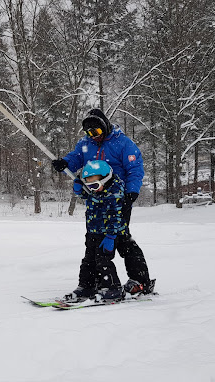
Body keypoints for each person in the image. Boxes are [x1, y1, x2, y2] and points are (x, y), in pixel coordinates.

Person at [53, 108, 154, 296]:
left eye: (97, 132)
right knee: (93, 241)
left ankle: (139, 280)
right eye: (89, 133)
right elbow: (76, 157)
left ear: (105, 126)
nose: (93, 136)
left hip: (118, 199)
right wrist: (65, 162)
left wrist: (131, 192)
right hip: (95, 199)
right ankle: (93, 282)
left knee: (121, 239)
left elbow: (135, 169)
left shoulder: (123, 144)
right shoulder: (86, 144)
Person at [63, 160, 126, 302]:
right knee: (88, 261)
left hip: (107, 234)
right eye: (88, 185)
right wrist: (80, 191)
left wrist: (111, 236)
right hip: (92, 232)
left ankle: (113, 288)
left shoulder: (114, 192)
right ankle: (87, 286)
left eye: (94, 185)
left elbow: (115, 217)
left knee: (103, 261)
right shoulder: (98, 190)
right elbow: (92, 196)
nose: (92, 189)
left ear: (106, 178)